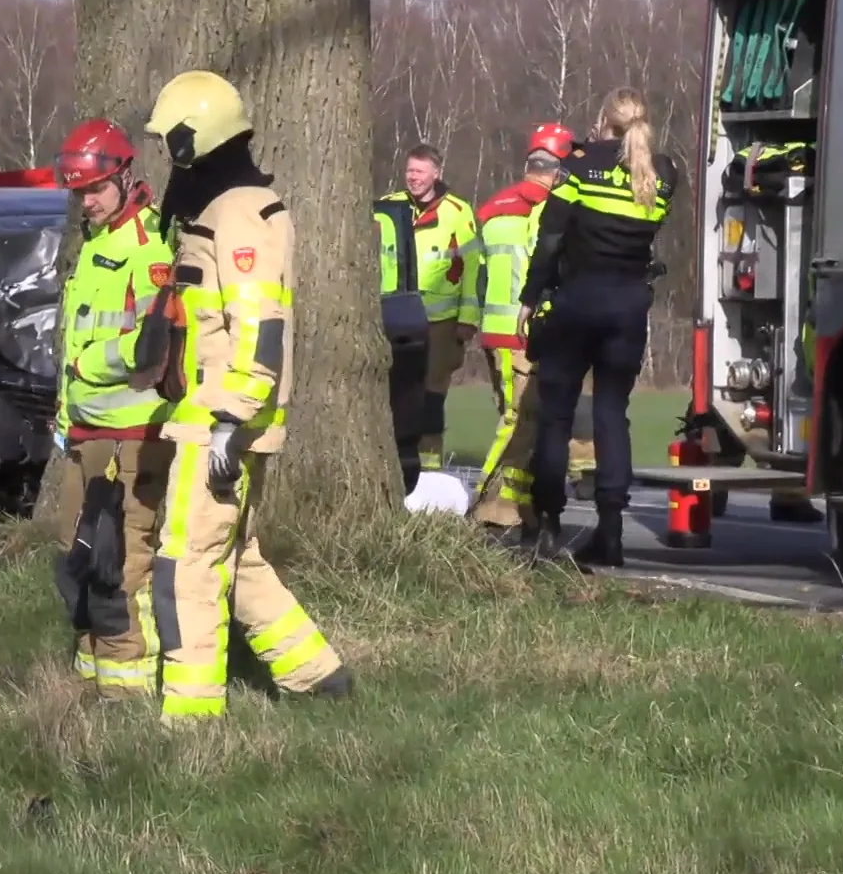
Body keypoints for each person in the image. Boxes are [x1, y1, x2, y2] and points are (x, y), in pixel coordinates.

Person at [131, 69, 351, 720]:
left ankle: (192, 717)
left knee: (186, 563)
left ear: (192, 140)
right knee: (235, 554)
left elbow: (260, 328)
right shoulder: (222, 206)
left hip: (223, 423)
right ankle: (317, 677)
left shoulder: (243, 215)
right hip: (211, 417)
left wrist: (234, 418)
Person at [520, 87, 681, 569]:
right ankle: (611, 534)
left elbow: (551, 237)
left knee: (556, 417)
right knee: (613, 414)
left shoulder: (579, 165)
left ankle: (548, 526)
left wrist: (531, 297)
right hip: (628, 308)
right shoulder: (664, 173)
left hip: (576, 302)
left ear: (604, 120)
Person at [51, 117, 177, 701]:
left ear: (125, 177)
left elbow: (153, 345)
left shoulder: (149, 247)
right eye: (80, 192)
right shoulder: (94, 243)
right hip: (83, 431)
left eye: (96, 189)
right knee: (76, 556)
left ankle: (127, 693)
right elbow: (73, 342)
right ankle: (89, 676)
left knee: (122, 563)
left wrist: (88, 368)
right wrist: (63, 417)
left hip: (133, 433)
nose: (88, 201)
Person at [469, 123, 597, 540]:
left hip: (494, 330)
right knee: (516, 422)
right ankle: (480, 507)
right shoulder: (546, 209)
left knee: (526, 422)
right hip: (525, 332)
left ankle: (515, 509)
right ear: (556, 168)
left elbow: (475, 272)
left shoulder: (491, 206)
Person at [374, 146, 480, 496]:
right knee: (396, 393)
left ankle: (429, 467)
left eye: (420, 171)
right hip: (395, 316)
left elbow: (470, 269)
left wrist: (468, 317)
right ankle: (393, 463)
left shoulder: (458, 212)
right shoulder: (389, 205)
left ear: (436, 173)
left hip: (441, 321)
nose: (413, 177)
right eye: (409, 171)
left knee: (432, 395)